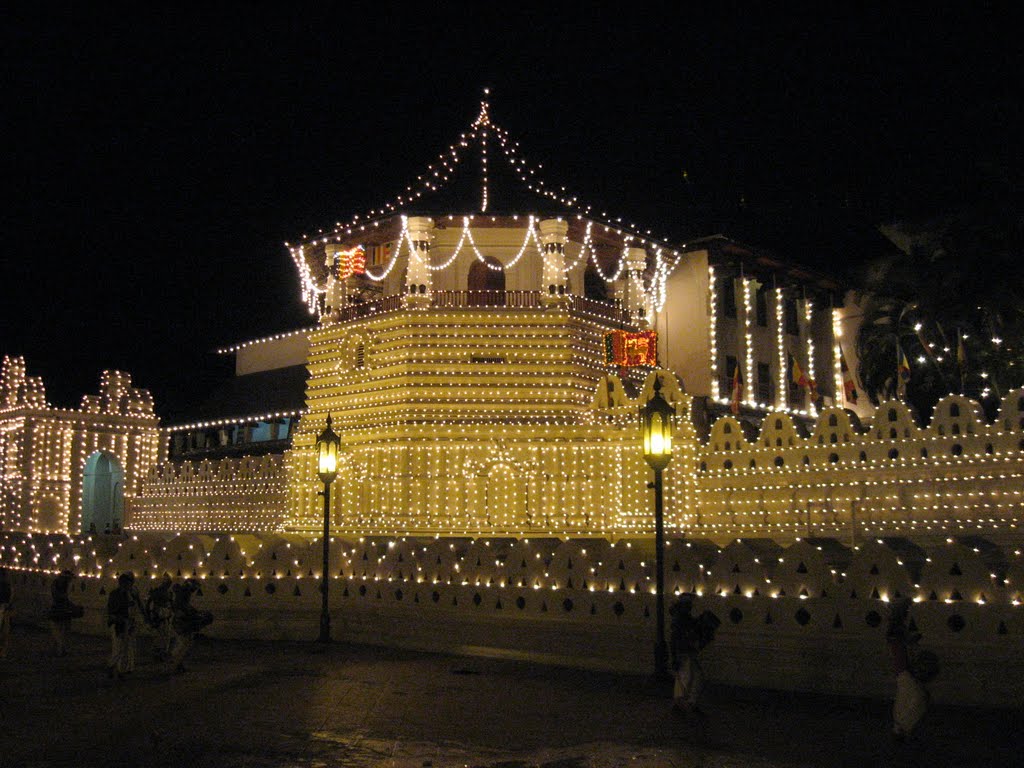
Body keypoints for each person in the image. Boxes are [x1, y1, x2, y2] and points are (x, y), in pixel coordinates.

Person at [887, 599, 932, 741]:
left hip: (902, 667)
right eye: (905, 611)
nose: (907, 613)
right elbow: (900, 646)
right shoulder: (897, 631)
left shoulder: (897, 630)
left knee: (907, 696)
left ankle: (901, 727)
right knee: (915, 696)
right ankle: (902, 726)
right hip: (903, 667)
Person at [669, 593, 719, 716]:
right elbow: (677, 638)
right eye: (688, 604)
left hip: (686, 651)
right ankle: (684, 704)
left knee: (692, 677)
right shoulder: (681, 620)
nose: (690, 606)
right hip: (684, 651)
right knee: (688, 677)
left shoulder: (683, 618)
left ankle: (687, 703)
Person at [169, 579, 212, 673]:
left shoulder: (182, 595)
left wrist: (195, 613)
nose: (194, 591)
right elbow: (183, 609)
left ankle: (177, 663)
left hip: (181, 621)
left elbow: (186, 607)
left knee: (183, 643)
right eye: (194, 588)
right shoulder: (182, 595)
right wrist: (194, 615)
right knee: (184, 644)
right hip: (181, 622)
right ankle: (176, 664)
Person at [107, 572, 143, 678]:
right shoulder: (116, 594)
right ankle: (113, 666)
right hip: (119, 623)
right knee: (119, 647)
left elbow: (138, 605)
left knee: (129, 646)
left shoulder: (132, 593)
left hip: (129, 623)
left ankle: (125, 668)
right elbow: (112, 610)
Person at [49, 569, 82, 656]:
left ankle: (61, 649)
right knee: (60, 631)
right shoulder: (58, 585)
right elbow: (60, 597)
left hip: (62, 610)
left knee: (62, 631)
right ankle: (61, 649)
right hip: (59, 609)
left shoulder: (61, 585)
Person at [145, 573, 174, 660]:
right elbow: (150, 602)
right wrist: (150, 614)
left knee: (166, 635)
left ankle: (162, 652)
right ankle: (158, 653)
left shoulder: (168, 592)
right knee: (160, 635)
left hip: (165, 615)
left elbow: (170, 603)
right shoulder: (158, 591)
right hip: (159, 615)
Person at [0, 567, 12, 659]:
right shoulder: (7, 585)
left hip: (4, 608)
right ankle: (3, 650)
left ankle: (3, 650)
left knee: (4, 630)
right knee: (5, 630)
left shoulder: (6, 585)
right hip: (5, 608)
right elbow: (10, 598)